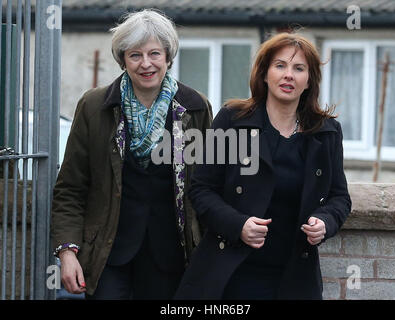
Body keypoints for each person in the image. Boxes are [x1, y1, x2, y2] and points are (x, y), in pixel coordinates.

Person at [174, 32, 351, 300]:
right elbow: (201, 189)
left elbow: (339, 197)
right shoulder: (232, 120)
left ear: (309, 80)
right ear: (265, 74)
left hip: (294, 275)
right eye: (280, 66)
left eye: (299, 68)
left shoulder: (326, 132)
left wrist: (325, 222)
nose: (288, 75)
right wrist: (238, 225)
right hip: (231, 271)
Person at [51, 9, 213, 300]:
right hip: (108, 256)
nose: (146, 64)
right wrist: (67, 251)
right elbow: (71, 188)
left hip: (173, 257)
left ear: (168, 57)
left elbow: (208, 186)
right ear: (122, 59)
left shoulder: (195, 107)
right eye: (135, 55)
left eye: (154, 54)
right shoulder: (93, 106)